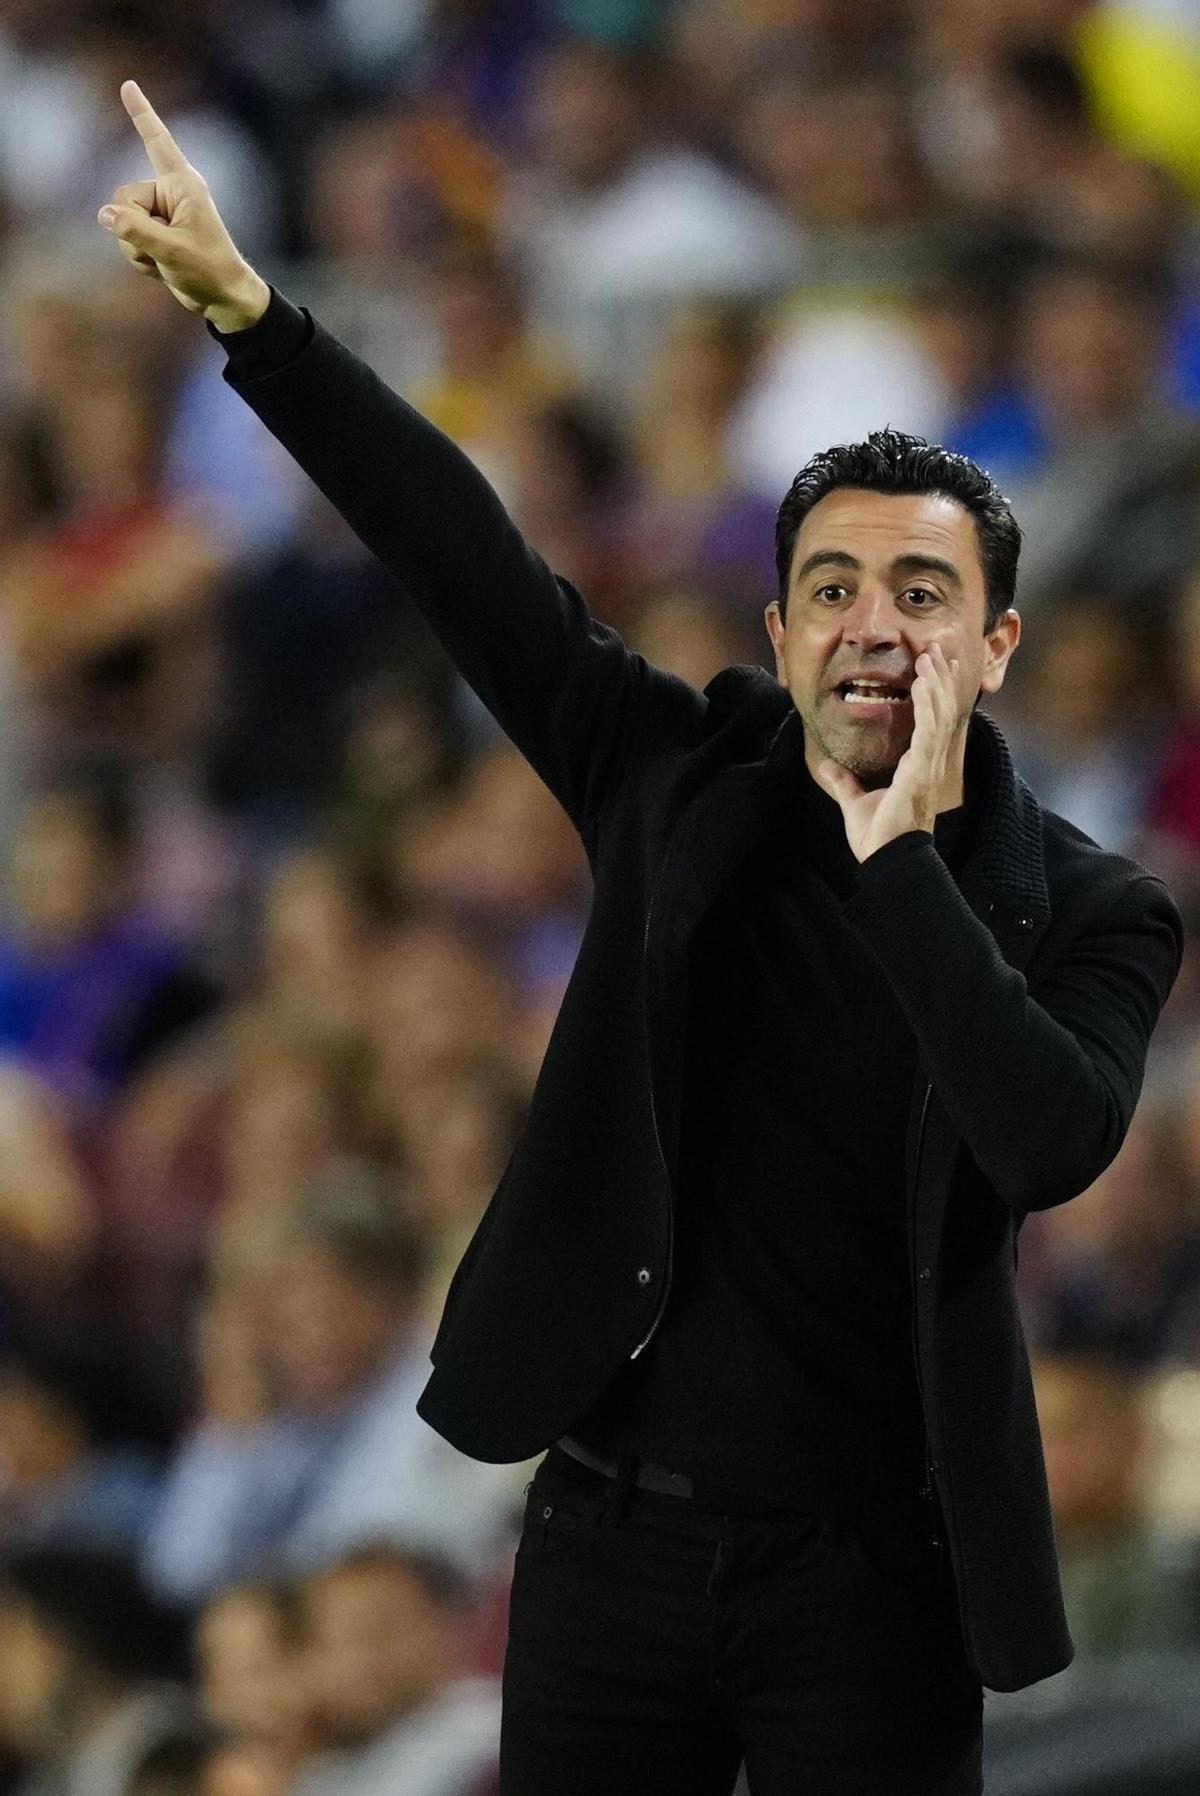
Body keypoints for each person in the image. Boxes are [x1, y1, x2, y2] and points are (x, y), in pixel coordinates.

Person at [97, 82, 1184, 1796]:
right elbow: (467, 557)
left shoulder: (1098, 905)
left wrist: (902, 860)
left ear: (999, 641)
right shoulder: (675, 775)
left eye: (923, 592)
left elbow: (1048, 1142)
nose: (873, 627)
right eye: (833, 587)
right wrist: (255, 316)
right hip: (614, 1543)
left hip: (875, 1576)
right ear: (779, 625)